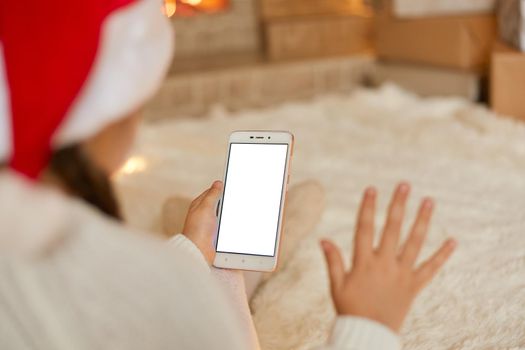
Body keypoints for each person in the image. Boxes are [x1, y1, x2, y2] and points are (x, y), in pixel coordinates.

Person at [0, 0, 456, 349]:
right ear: (110, 111)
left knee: (222, 252)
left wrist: (184, 250)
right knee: (238, 255)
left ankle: (208, 246)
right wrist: (368, 325)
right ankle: (237, 249)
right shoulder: (142, 286)